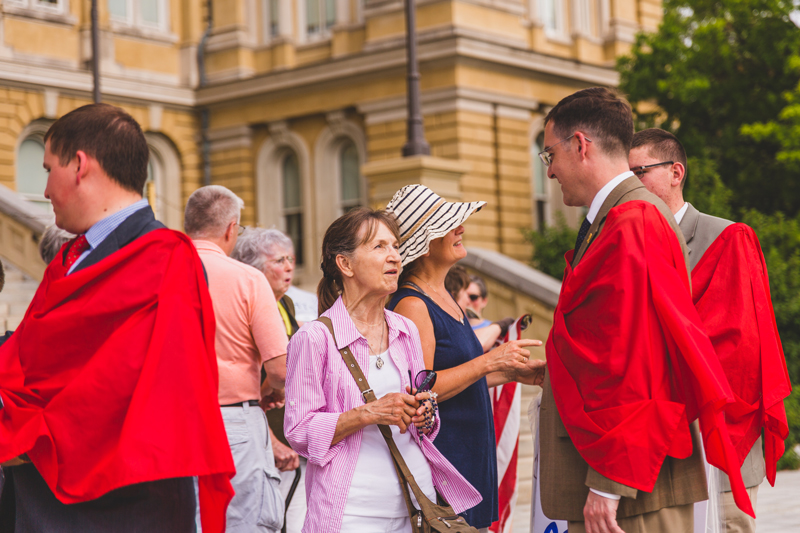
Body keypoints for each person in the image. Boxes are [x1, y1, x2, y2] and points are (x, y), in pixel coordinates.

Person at [0, 103, 234, 533]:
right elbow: (28, 359)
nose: (46, 189)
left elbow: (129, 391)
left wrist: (29, 434)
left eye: (49, 168)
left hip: (123, 503)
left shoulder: (167, 260)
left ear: (80, 165)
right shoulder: (68, 257)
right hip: (42, 496)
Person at [538, 87, 754, 533]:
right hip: (630, 479)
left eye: (550, 155)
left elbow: (640, 357)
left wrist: (607, 483)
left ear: (581, 145)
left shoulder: (631, 221)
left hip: (629, 487)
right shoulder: (623, 217)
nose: (552, 171)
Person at [629, 128, 791, 533]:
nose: (632, 184)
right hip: (657, 441)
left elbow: (741, 350)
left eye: (640, 172)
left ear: (675, 172)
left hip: (718, 436)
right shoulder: (632, 244)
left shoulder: (728, 237)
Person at [284, 207, 482, 533]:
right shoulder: (314, 338)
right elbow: (300, 432)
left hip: (416, 502)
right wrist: (368, 413)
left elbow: (424, 414)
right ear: (344, 264)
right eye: (379, 247)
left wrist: (425, 412)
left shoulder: (406, 329)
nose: (394, 257)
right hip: (351, 511)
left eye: (395, 247)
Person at [386, 184, 545, 532]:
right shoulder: (412, 305)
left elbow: (457, 377)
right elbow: (420, 392)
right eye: (448, 224)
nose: (461, 228)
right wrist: (489, 361)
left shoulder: (442, 295)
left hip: (469, 457)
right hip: (446, 463)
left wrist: (513, 373)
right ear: (424, 244)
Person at [185, 186, 288, 533]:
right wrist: (273, 389)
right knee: (243, 522)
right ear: (231, 229)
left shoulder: (158, 273)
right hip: (232, 423)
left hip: (172, 421)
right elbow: (280, 370)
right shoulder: (247, 279)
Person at [232, 227, 306, 533]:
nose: (289, 266)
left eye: (290, 258)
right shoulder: (249, 308)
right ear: (255, 268)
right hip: (264, 436)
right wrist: (271, 440)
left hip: (292, 431)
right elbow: (252, 383)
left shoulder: (286, 306)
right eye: (279, 260)